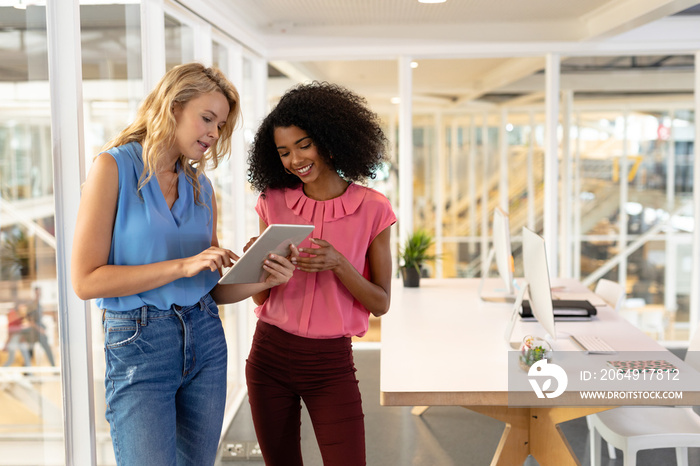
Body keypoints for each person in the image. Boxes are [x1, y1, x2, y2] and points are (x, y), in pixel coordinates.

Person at [71, 62, 295, 466]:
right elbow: (86, 281)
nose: (213, 133)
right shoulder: (113, 168)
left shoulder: (200, 187)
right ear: (173, 108)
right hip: (140, 342)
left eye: (220, 125)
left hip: (206, 336)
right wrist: (182, 266)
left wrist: (263, 276)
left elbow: (212, 288)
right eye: (206, 118)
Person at [245, 81, 396, 465]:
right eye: (283, 152)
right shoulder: (273, 202)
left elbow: (380, 303)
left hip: (330, 365)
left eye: (303, 145)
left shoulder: (374, 209)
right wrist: (258, 267)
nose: (294, 159)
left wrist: (340, 264)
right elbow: (261, 296)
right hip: (269, 355)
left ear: (328, 139)